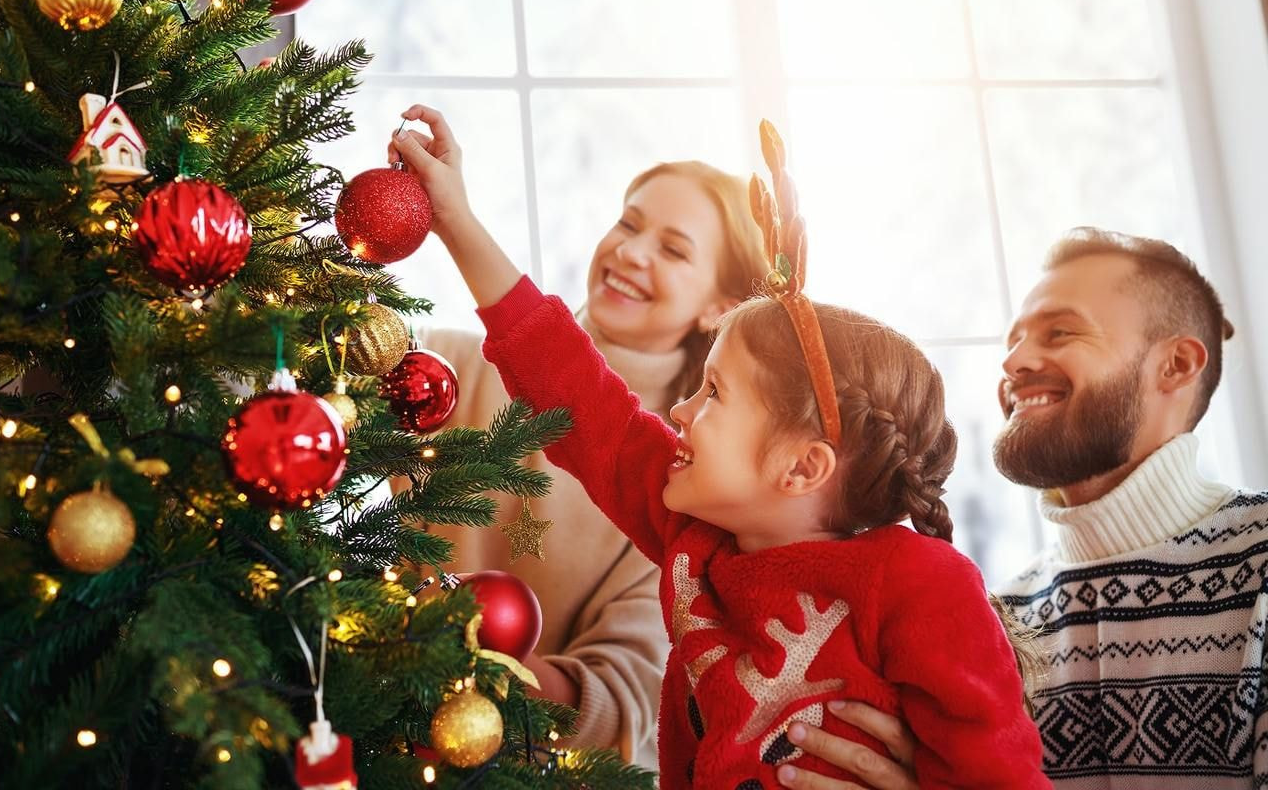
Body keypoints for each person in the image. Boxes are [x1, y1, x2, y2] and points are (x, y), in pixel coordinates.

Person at [391, 108, 1048, 789]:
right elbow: (576, 396)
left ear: (802, 467)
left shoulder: (920, 585)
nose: (679, 412)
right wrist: (457, 222)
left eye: (714, 396)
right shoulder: (693, 534)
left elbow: (1000, 775)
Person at [783, 227, 1267, 790]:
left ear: (1176, 365)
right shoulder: (999, 623)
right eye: (1012, 341)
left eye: (1060, 332)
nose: (1012, 363)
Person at [387, 107, 769, 768]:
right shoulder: (446, 371)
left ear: (721, 308)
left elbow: (627, 701)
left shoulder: (686, 479)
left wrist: (478, 667)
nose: (631, 251)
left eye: (674, 249)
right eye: (628, 222)